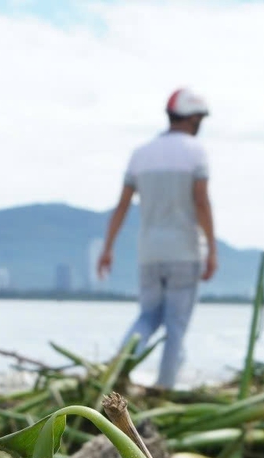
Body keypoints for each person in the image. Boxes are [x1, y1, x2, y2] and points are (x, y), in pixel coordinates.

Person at [96, 88, 216, 389]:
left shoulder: (141, 153)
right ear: (192, 119)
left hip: (148, 252)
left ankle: (115, 376)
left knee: (147, 317)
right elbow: (201, 202)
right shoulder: (195, 151)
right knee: (175, 326)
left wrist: (107, 248)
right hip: (185, 251)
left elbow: (122, 206)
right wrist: (212, 249)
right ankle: (165, 388)